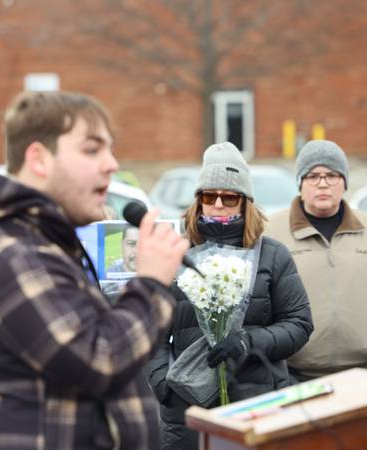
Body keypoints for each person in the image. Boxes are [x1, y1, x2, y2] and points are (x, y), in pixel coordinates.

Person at [0, 91, 189, 449]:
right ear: (39, 159)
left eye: (110, 150)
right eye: (92, 150)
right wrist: (151, 283)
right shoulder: (15, 252)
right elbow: (101, 360)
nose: (111, 164)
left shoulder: (43, 242)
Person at [145, 142, 313, 450]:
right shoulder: (175, 254)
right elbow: (150, 331)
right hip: (188, 409)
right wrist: (162, 383)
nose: (219, 204)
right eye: (209, 196)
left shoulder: (272, 255)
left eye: (230, 197)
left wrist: (248, 342)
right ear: (199, 201)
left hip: (257, 403)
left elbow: (299, 324)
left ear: (245, 203)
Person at [265, 140, 367, 381]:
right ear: (300, 183)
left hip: (363, 373)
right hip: (295, 375)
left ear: (344, 182)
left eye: (331, 175)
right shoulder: (270, 232)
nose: (322, 183)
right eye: (312, 176)